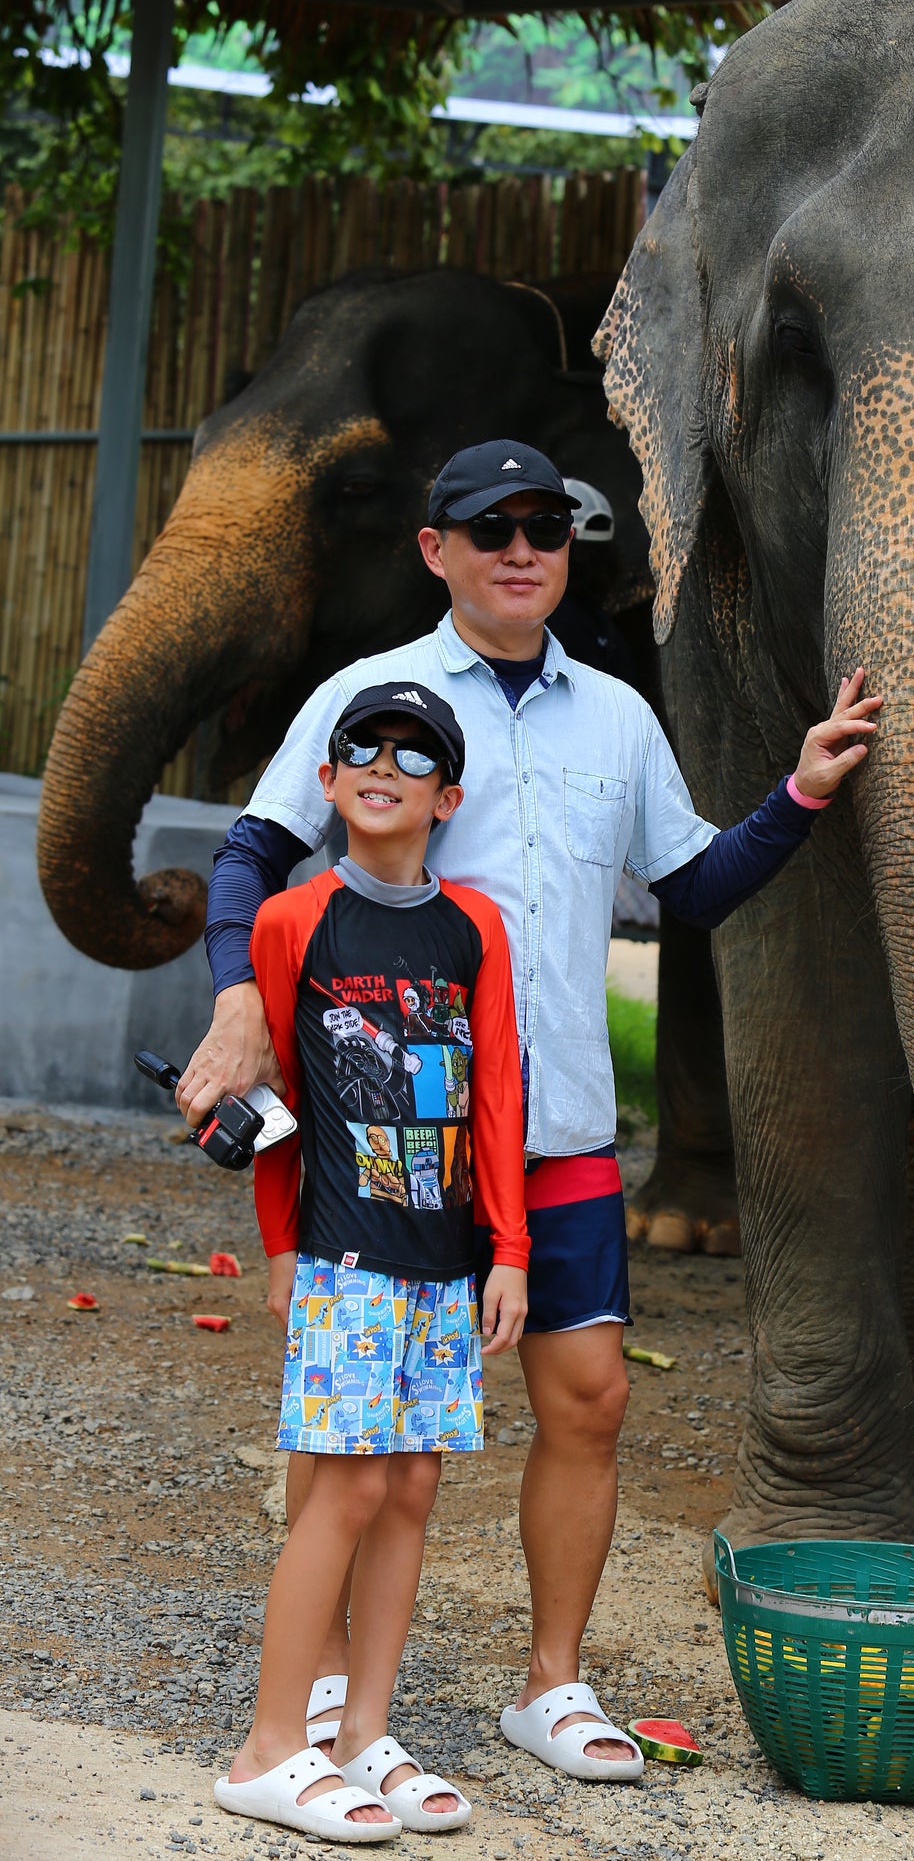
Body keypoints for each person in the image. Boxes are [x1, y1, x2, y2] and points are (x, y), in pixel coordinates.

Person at [180, 438, 880, 1781]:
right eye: (488, 526)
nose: (520, 549)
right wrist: (236, 999)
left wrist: (800, 790)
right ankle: (320, 1685)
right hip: (400, 1150)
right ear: (434, 549)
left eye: (545, 527)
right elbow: (252, 852)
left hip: (555, 1129)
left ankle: (551, 1682)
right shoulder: (370, 697)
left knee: (592, 1399)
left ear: (569, 549)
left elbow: (691, 885)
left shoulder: (615, 715)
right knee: (364, 1437)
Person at [214, 681, 528, 1842]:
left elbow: (497, 1092)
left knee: (409, 1488)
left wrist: (509, 1250)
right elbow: (274, 1103)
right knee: (345, 1487)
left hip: (446, 1262)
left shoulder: (476, 927)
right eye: (363, 745)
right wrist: (279, 1246)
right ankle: (267, 1747)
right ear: (328, 778)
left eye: (415, 753)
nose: (385, 763)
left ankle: (360, 1734)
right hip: (344, 1255)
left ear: (447, 799)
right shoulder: (291, 920)